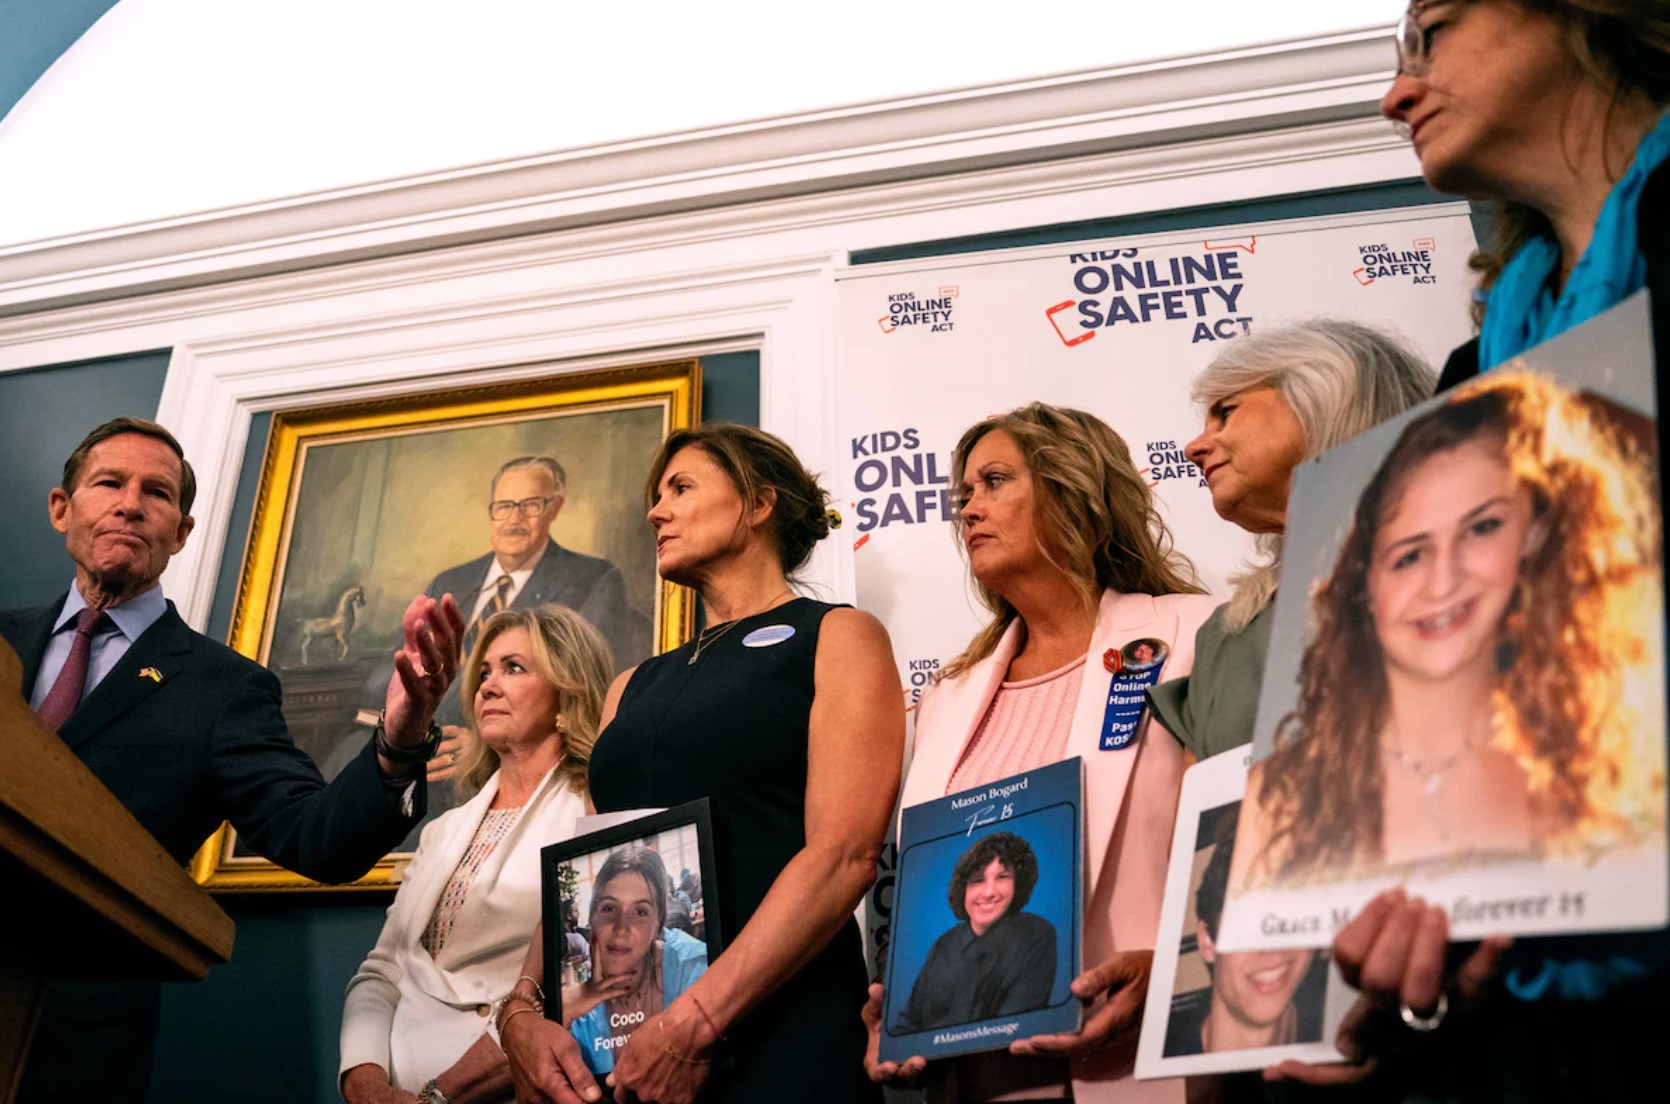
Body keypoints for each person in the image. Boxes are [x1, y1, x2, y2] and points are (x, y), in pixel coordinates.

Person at [1283, 5, 1670, 1094]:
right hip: (1539, 1030)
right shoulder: (1474, 372)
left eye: (1432, 33)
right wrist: (1392, 988)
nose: (1394, 94)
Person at [0, 416, 465, 1103]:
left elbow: (321, 840)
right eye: (109, 483)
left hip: (70, 1039)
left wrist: (398, 741)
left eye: (156, 493)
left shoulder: (222, 688)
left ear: (181, 532)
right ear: (61, 509)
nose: (131, 503)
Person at [499, 422, 904, 1104]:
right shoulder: (632, 684)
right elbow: (585, 868)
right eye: (657, 495)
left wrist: (695, 1022)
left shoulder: (835, 636)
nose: (656, 511)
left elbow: (843, 856)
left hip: (782, 1040)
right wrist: (521, 1010)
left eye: (681, 488)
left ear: (759, 503)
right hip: (629, 1061)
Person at [867, 403, 1218, 1104]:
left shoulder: (1195, 635)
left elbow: (1252, 846)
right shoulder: (947, 696)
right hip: (972, 1080)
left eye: (994, 481)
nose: (969, 509)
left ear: (1074, 491)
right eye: (963, 493)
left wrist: (1177, 973)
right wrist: (903, 1015)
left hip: (1143, 1061)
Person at [1236, 372, 1661, 887]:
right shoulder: (1280, 796)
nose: (1443, 580)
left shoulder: (1611, 763)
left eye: (1482, 528)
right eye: (1409, 555)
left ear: (1538, 543)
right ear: (1362, 585)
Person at [339, 604, 612, 1104]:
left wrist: (437, 1098)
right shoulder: (442, 830)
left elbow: (582, 987)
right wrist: (365, 1085)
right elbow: (382, 972)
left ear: (565, 691)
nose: (486, 685)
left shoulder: (592, 815)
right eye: (484, 671)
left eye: (514, 668)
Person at [1150, 320, 1436, 763]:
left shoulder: (1473, 566)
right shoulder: (1225, 638)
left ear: (1325, 394)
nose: (1192, 448)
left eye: (1225, 412)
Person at [1163, 812, 1322, 1058]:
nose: (1271, 948)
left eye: (1287, 921)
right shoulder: (1170, 1052)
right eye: (1247, 925)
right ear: (1207, 942)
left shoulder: (1348, 1032)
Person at [562, 845, 710, 1077]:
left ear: (658, 924)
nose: (622, 928)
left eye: (640, 912)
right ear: (592, 917)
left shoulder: (696, 967)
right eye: (610, 908)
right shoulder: (577, 1009)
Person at [892, 832, 1059, 1034]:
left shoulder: (1036, 935)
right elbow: (909, 1021)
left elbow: (1014, 1028)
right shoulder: (944, 945)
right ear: (963, 889)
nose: (989, 892)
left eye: (1002, 877)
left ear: (1018, 884)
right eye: (978, 880)